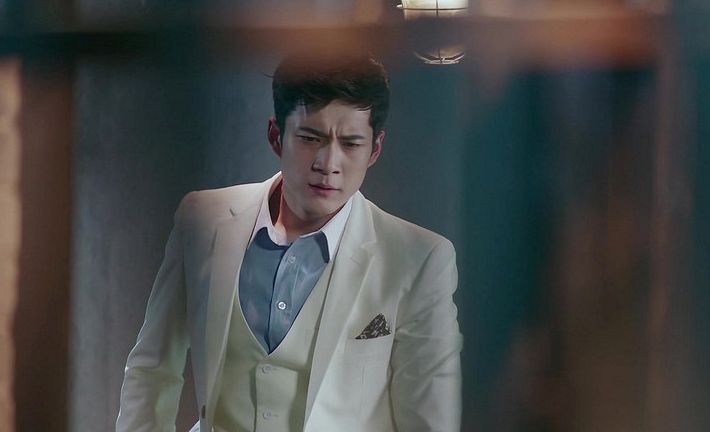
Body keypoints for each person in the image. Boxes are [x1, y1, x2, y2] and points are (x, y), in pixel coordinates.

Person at [115, 51, 463, 432]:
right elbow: (151, 370)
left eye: (351, 144)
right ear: (275, 136)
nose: (328, 164)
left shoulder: (418, 259)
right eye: (310, 138)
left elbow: (430, 422)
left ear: (374, 150)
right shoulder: (202, 220)